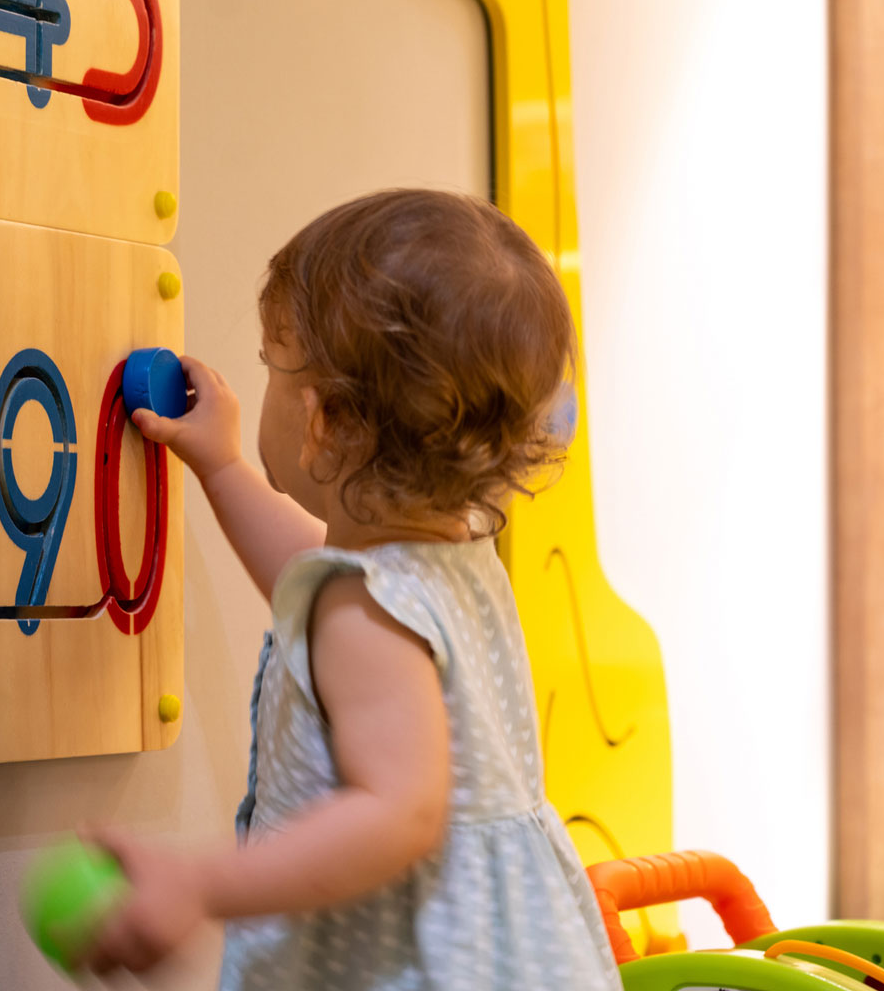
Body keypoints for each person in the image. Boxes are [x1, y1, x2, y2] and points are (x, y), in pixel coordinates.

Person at [87, 189, 622, 990]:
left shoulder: (365, 612)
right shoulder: (447, 565)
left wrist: (199, 886)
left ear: (325, 421)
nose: (260, 379)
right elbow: (309, 572)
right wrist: (225, 468)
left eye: (273, 366)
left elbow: (399, 812)